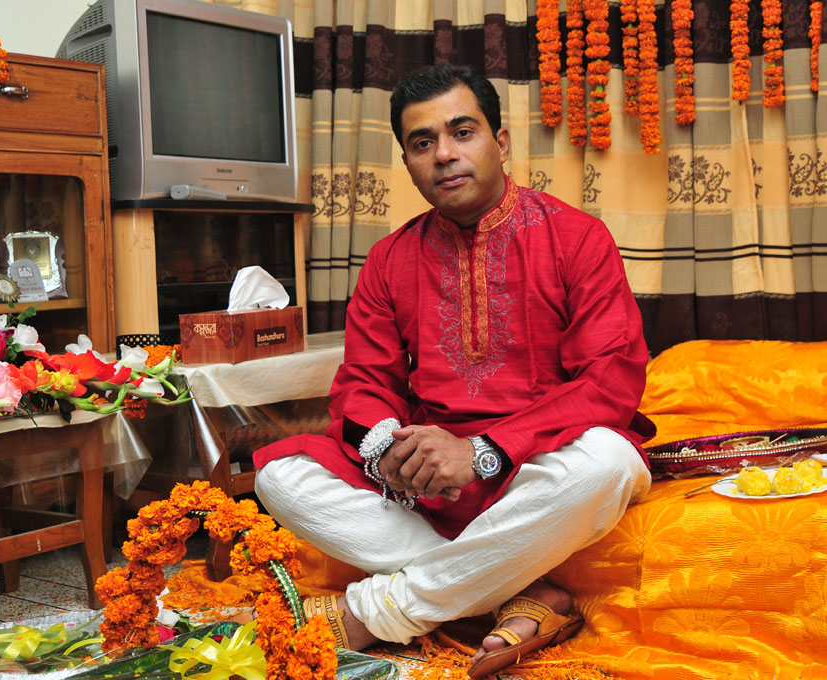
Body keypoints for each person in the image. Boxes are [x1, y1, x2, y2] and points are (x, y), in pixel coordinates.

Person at [253, 63, 655, 678]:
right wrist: (389, 448)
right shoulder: (390, 258)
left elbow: (610, 379)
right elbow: (364, 382)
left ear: (501, 141)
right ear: (408, 162)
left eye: (462, 132)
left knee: (608, 461)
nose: (444, 154)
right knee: (279, 475)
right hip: (431, 481)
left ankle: (379, 612)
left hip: (539, 465)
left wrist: (485, 452)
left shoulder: (577, 238)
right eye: (422, 143)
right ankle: (523, 593)